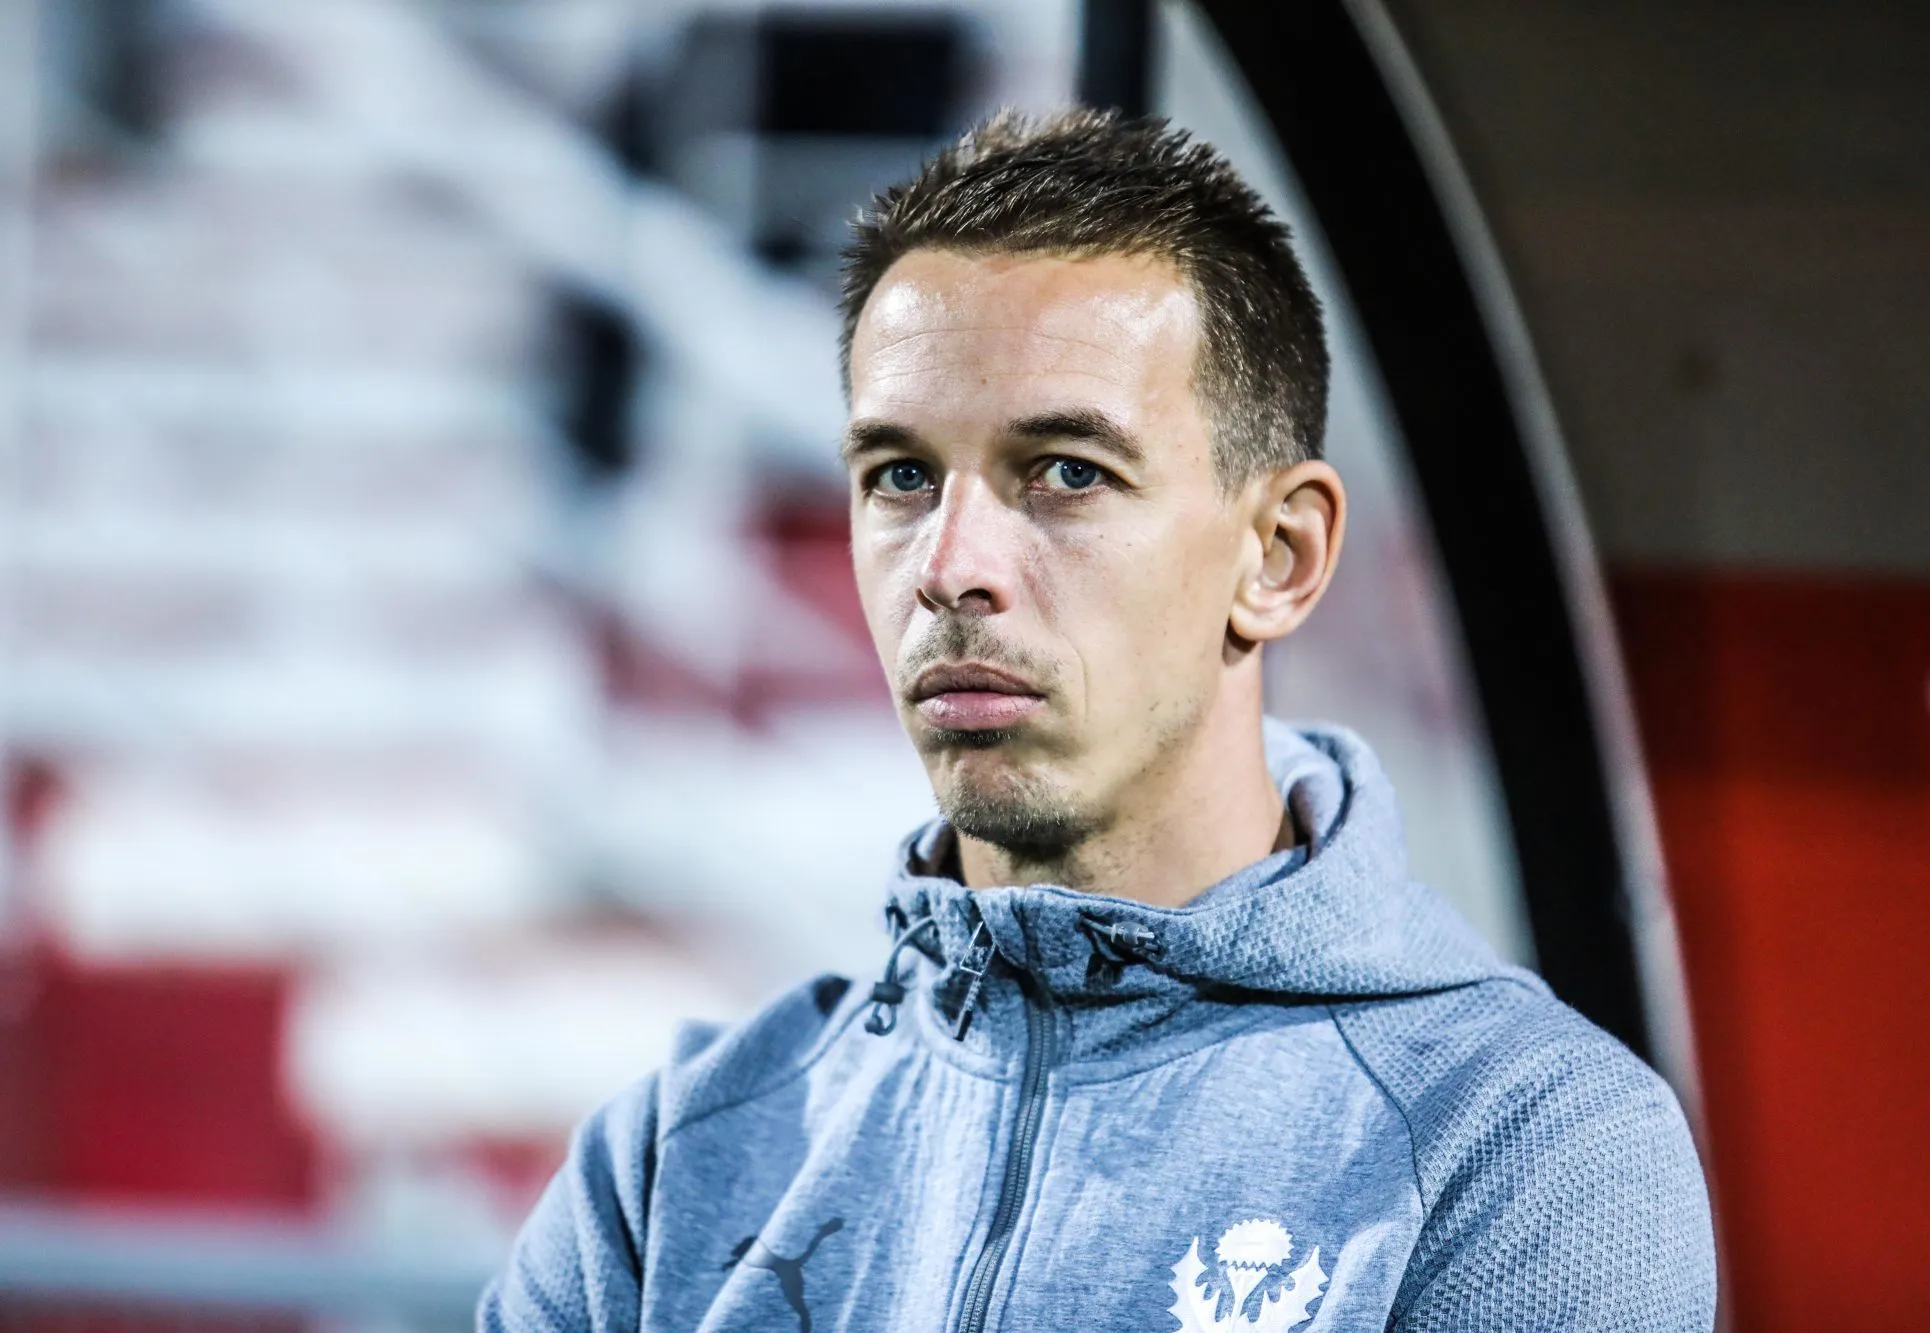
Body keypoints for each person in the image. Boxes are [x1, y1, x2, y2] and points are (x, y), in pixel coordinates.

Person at [480, 109, 1715, 1332]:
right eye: (899, 477)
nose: (949, 568)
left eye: (1067, 472)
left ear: (1278, 555)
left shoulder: (1522, 1147)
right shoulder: (668, 1163)